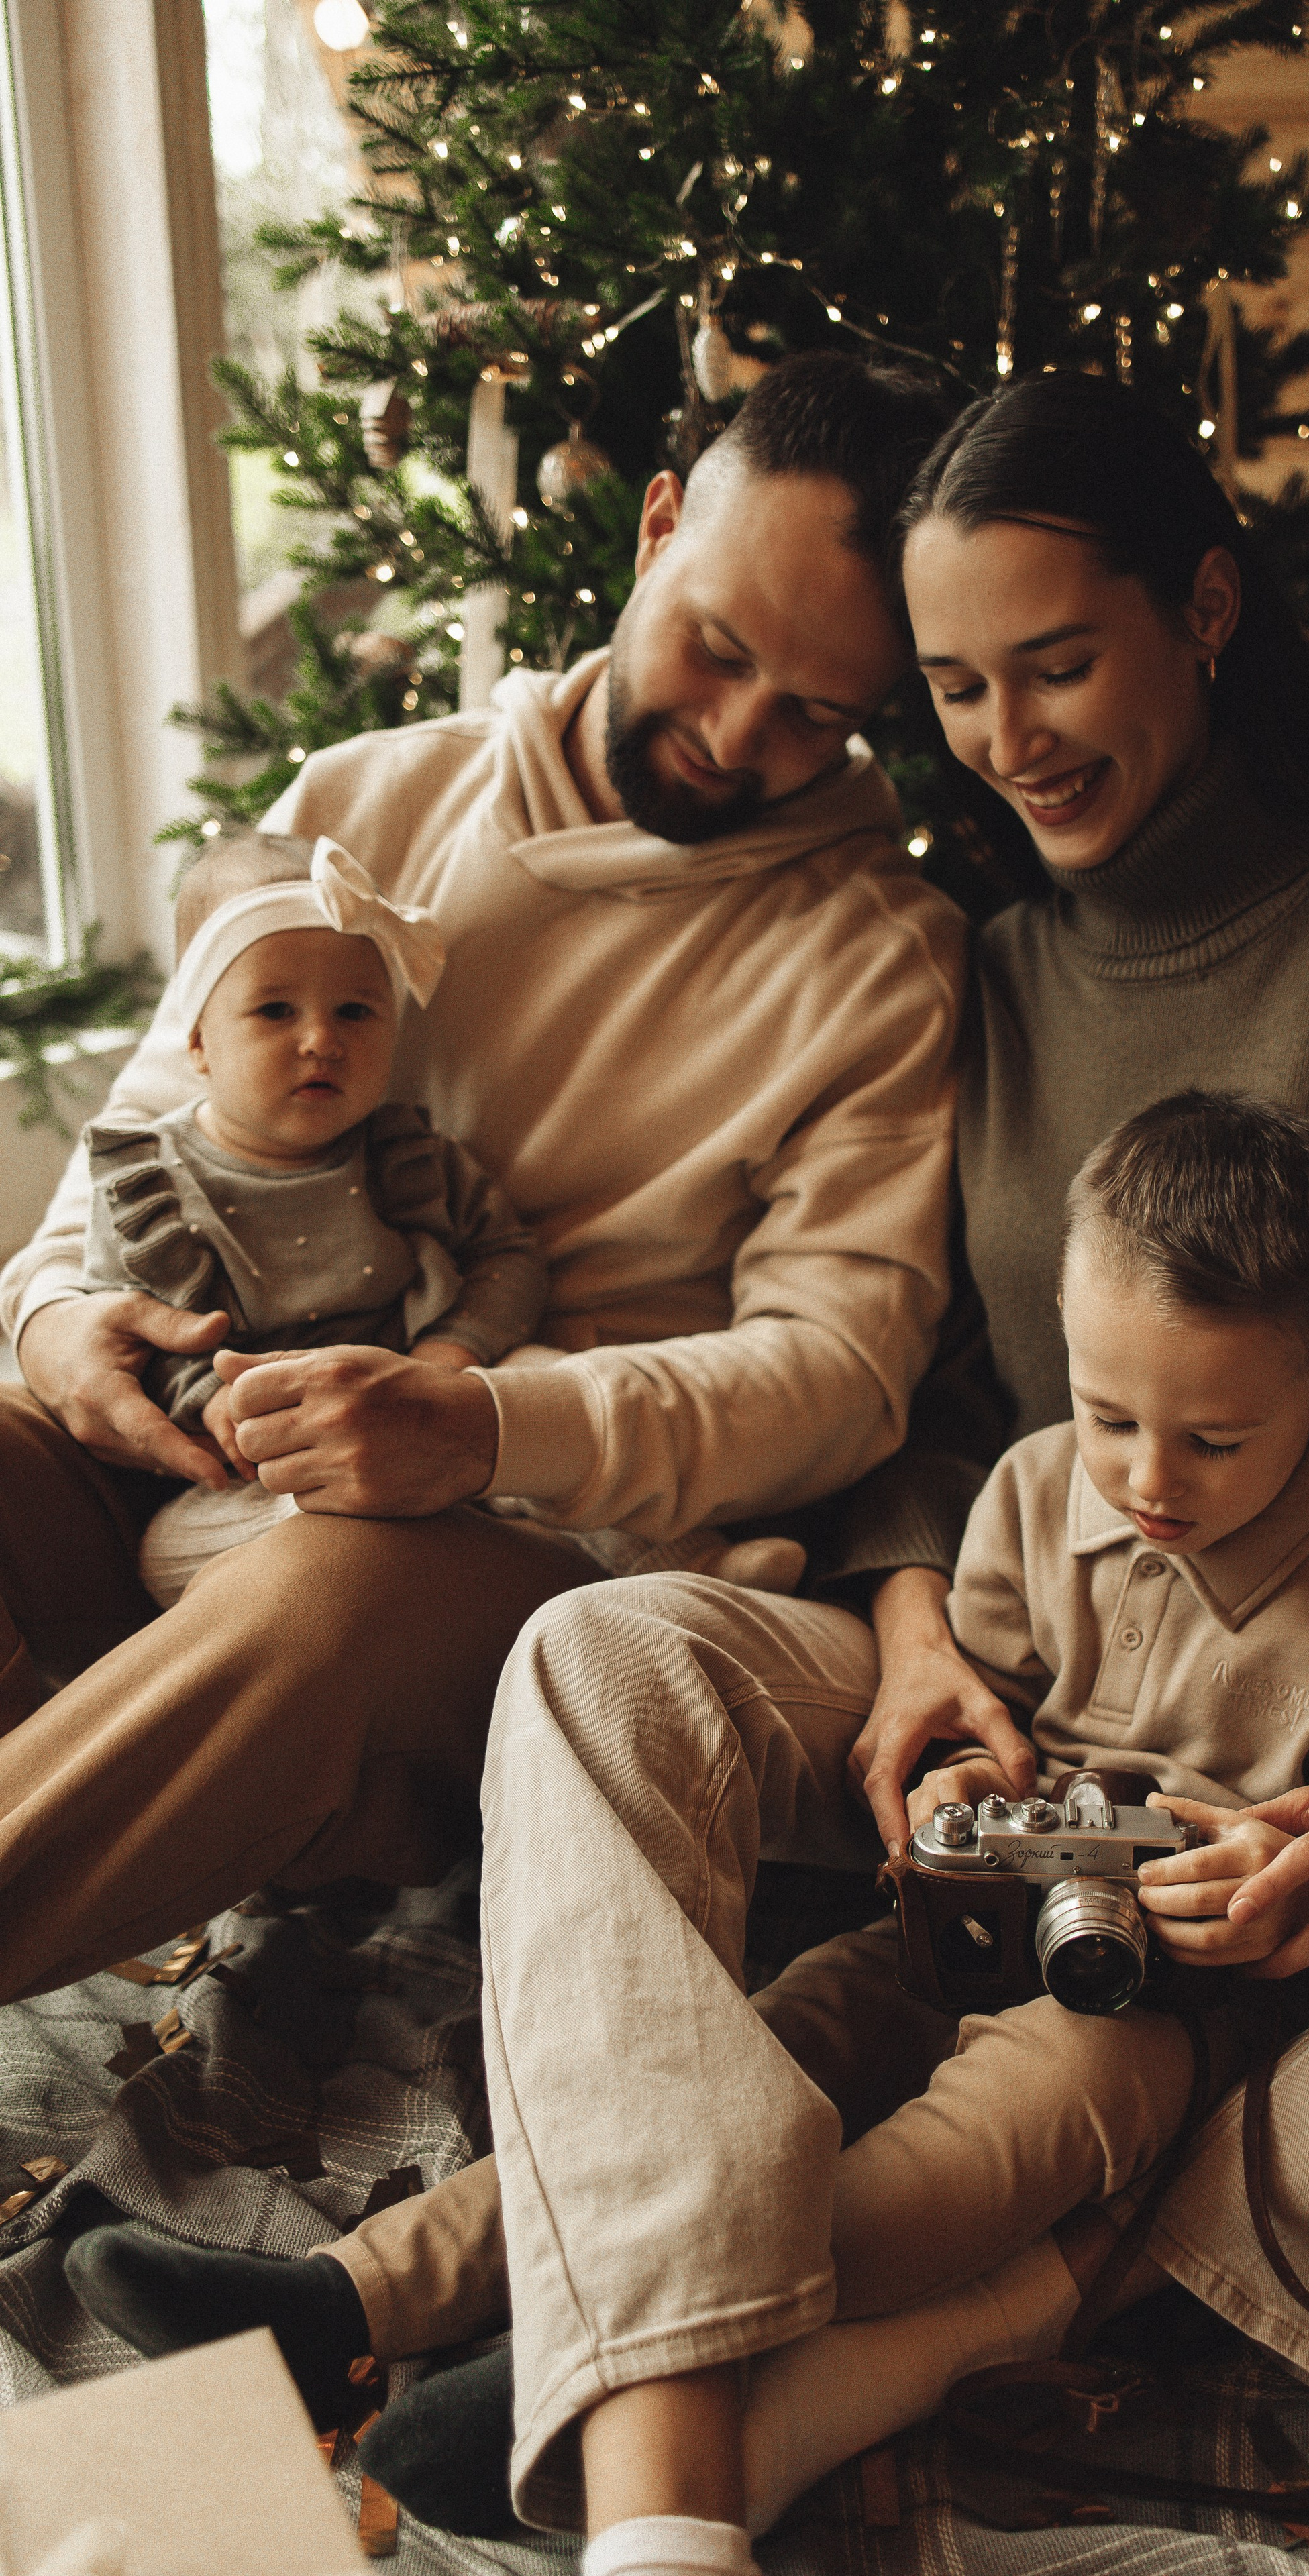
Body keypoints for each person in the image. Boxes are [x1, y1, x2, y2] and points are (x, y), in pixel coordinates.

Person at [58, 378, 1309, 2576]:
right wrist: (925, 1642)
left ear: (1207, 613)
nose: (1009, 738)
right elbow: (923, 1403)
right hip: (1017, 1673)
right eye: (953, 689)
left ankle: (1024, 2293)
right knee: (600, 1654)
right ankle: (697, 2439)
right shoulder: (986, 965)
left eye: (1059, 663)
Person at [67, 1089, 1309, 2534]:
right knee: (752, 2066)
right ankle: (347, 2296)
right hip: (954, 1926)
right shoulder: (1038, 1488)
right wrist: (960, 1787)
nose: (1148, 1479)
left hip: (1138, 2017)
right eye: (1109, 1415)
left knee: (949, 2178)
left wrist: (1245, 1899)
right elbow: (979, 1705)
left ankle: (617, 2354)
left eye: (1214, 1442)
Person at [0, 351, 964, 1999]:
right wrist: (54, 1322)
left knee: (333, 1590)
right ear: (654, 528)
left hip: (525, 1541)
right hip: (209, 1444)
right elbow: (127, 1156)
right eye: (717, 647)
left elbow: (839, 1377)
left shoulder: (879, 961)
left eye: (818, 712)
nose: (735, 735)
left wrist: (485, 1423)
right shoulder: (362, 802)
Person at [85, 832, 545, 1607]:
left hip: (432, 1416)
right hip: (269, 1468)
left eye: (356, 1011)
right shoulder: (148, 1188)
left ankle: (675, 1560)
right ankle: (426, 1549)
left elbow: (510, 1257)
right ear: (198, 1043)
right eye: (275, 1010)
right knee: (169, 1554)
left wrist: (452, 1353)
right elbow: (131, 1338)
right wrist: (211, 1403)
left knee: (545, 1390)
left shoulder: (409, 1156)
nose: (322, 1041)